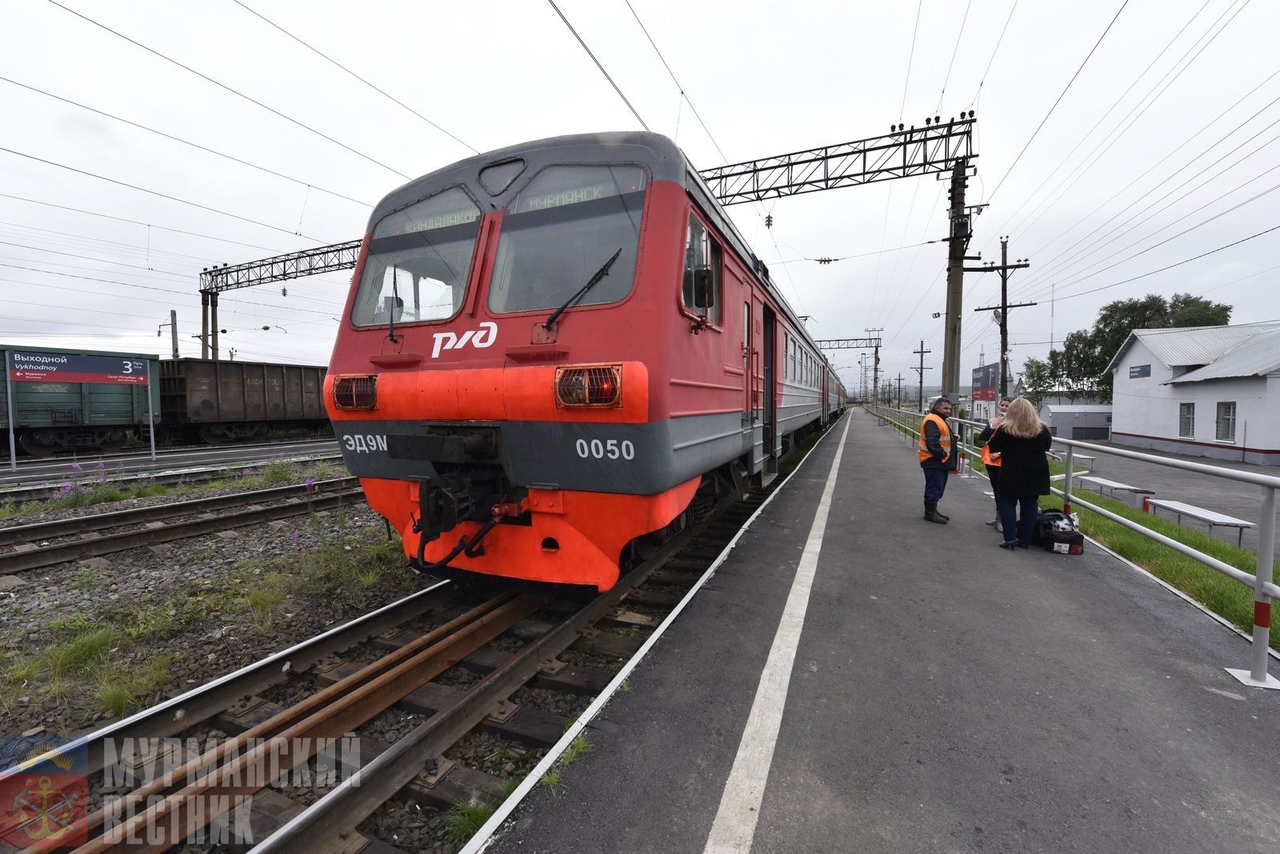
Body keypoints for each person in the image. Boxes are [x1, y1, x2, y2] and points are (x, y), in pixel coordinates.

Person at [985, 398, 1053, 549]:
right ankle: (1024, 539)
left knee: (1007, 503)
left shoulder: (1005, 429)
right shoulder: (1041, 428)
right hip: (1036, 472)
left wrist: (993, 426)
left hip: (1011, 470)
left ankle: (1009, 539)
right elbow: (1047, 446)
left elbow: (993, 445)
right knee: (1030, 505)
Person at [918, 395, 958, 523]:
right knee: (934, 486)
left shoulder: (938, 419)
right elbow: (932, 442)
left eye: (949, 408)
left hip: (936, 460)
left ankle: (933, 510)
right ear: (936, 408)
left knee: (938, 485)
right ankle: (930, 512)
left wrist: (953, 437)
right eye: (945, 408)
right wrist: (943, 455)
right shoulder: (933, 420)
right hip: (933, 460)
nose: (948, 410)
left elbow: (940, 436)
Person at [977, 397, 1013, 532]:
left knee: (1004, 490)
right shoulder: (994, 420)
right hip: (991, 461)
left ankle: (1002, 519)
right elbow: (983, 437)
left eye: (1007, 406)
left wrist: (1000, 453)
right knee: (996, 489)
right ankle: (998, 516)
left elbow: (1015, 444)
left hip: (1006, 461)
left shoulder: (1014, 423)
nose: (1003, 408)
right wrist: (993, 424)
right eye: (1002, 405)